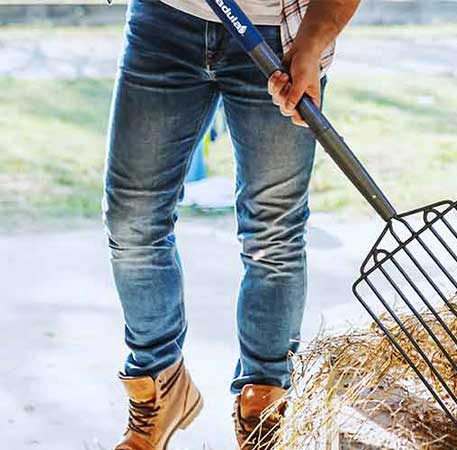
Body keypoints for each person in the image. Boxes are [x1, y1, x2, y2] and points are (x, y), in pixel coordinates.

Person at [102, 0, 360, 448]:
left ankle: (264, 404)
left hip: (278, 39)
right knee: (132, 219)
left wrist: (311, 46)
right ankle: (158, 384)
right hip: (165, 22)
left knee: (273, 232)